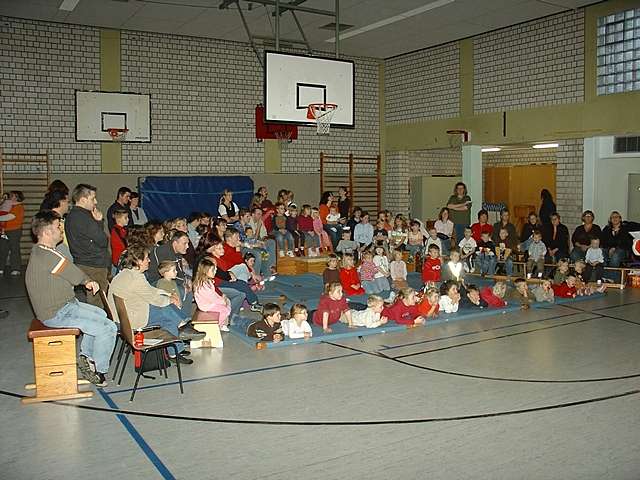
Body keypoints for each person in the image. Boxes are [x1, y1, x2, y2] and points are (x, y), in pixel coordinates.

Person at [26, 210, 117, 386]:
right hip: (57, 313)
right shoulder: (47, 255)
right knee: (108, 328)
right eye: (57, 227)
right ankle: (98, 371)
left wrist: (85, 280)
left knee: (101, 314)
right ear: (46, 232)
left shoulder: (42, 251)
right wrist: (89, 281)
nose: (61, 229)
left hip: (65, 305)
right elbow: (75, 274)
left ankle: (86, 357)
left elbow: (68, 271)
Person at [109, 243, 194, 364]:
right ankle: (181, 333)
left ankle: (180, 335)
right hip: (130, 321)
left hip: (122, 317)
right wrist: (170, 299)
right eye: (146, 258)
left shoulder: (125, 273)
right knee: (166, 313)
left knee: (166, 311)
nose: (149, 260)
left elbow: (149, 290)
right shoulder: (137, 278)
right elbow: (155, 299)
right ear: (138, 261)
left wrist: (168, 294)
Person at [65, 184, 110, 307]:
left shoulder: (71, 215)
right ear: (83, 200)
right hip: (94, 265)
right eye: (92, 198)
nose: (96, 202)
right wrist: (99, 222)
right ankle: (99, 324)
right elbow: (102, 240)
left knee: (94, 298)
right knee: (98, 301)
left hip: (83, 261)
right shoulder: (83, 217)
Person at [146, 230, 193, 318]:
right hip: (157, 282)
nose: (187, 246)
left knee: (188, 290)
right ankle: (181, 319)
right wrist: (184, 283)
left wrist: (187, 279)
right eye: (184, 243)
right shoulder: (163, 251)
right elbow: (167, 274)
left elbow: (179, 272)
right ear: (175, 243)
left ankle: (185, 318)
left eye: (188, 243)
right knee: (183, 291)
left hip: (169, 280)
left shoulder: (176, 252)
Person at [193, 257, 231, 332]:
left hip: (210, 302)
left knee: (227, 304)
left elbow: (214, 294)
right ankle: (217, 326)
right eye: (213, 270)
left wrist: (222, 300)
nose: (215, 272)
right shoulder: (202, 285)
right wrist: (222, 301)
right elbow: (212, 297)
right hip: (206, 305)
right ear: (205, 272)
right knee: (225, 310)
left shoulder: (208, 281)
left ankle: (222, 323)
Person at [0, 190, 25, 276]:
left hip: (14, 230)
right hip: (5, 230)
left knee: (14, 249)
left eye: (13, 195)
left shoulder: (19, 207)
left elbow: (10, 217)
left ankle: (16, 268)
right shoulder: (9, 206)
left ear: (17, 197)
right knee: (2, 249)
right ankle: (1, 268)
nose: (11, 197)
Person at [601, 211, 632, 276]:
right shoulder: (606, 229)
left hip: (622, 250)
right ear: (610, 220)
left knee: (615, 256)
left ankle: (611, 278)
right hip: (608, 249)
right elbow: (603, 242)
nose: (615, 218)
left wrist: (615, 248)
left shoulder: (625, 228)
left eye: (616, 217)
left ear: (620, 219)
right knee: (600, 253)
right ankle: (603, 276)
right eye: (612, 217)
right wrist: (610, 248)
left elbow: (626, 243)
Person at [109, 208, 129, 273]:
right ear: (119, 219)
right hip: (119, 260)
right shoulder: (116, 230)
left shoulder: (123, 230)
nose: (128, 219)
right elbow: (124, 244)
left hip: (122, 259)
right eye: (125, 218)